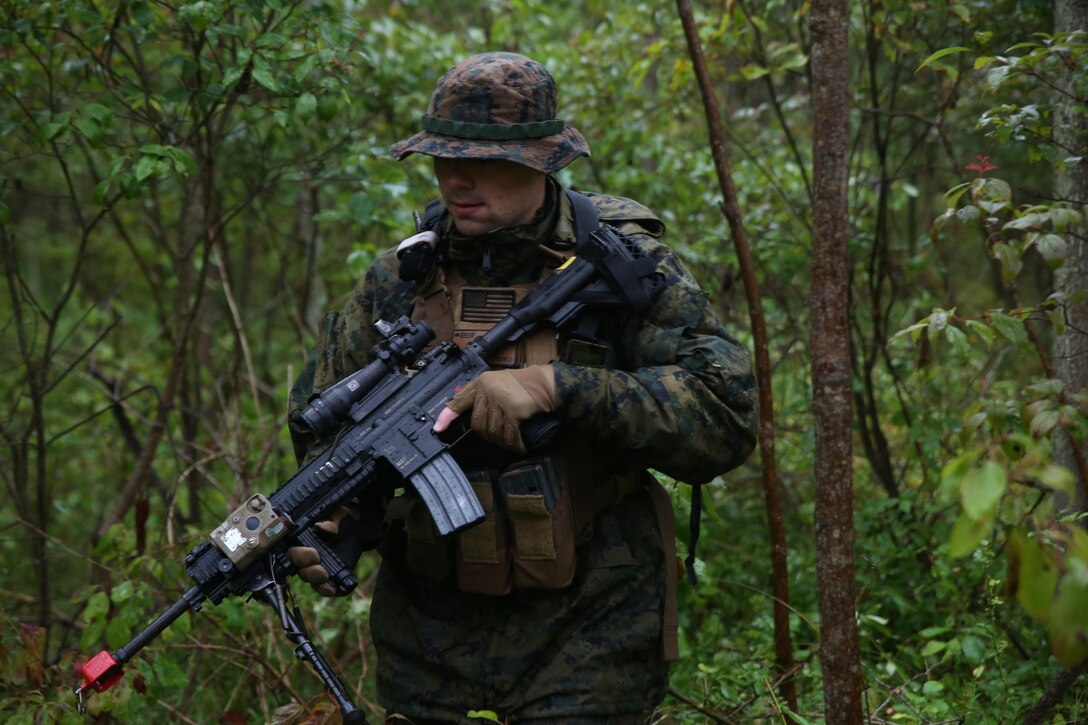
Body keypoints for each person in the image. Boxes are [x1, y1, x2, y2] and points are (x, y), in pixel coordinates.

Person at [287, 51, 757, 723]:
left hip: (592, 626)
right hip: (428, 637)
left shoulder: (622, 266)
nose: (456, 177)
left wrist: (560, 387)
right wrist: (335, 522)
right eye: (443, 157)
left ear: (542, 160)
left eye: (482, 158)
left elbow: (724, 414)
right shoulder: (399, 279)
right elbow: (331, 432)